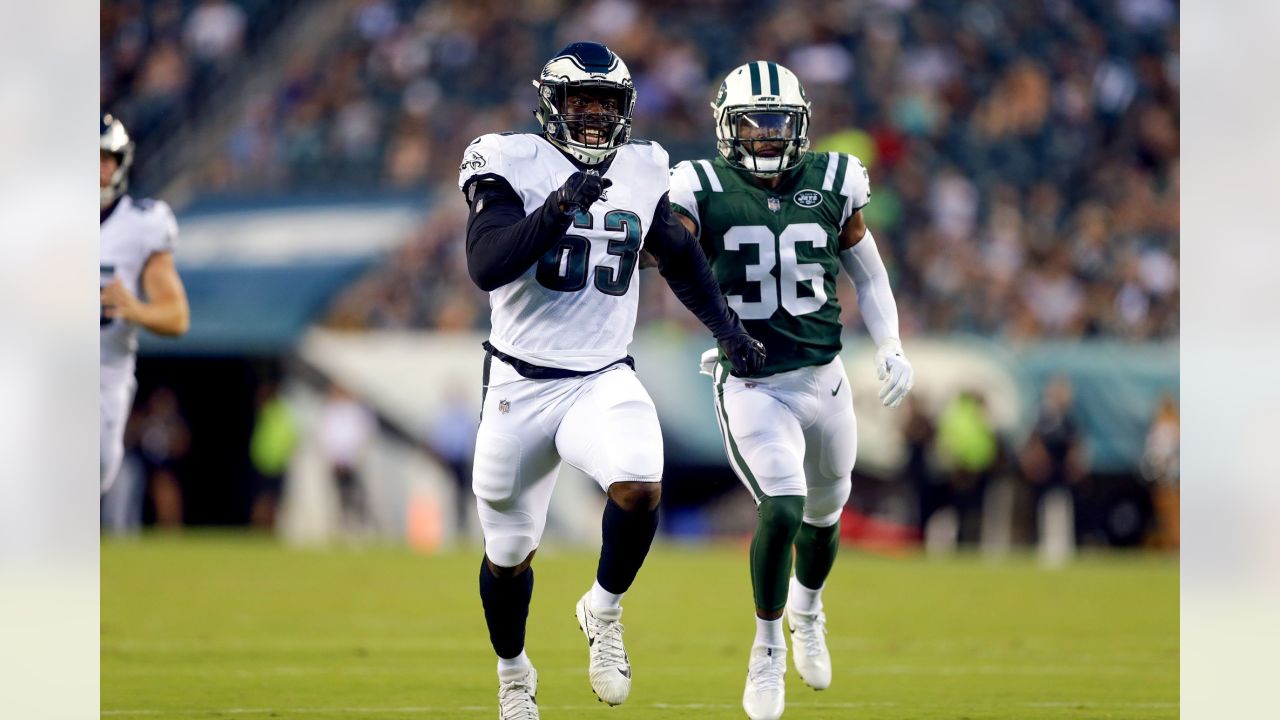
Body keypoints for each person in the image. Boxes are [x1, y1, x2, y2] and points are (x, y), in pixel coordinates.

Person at [458, 42, 766, 720]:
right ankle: (514, 676)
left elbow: (680, 257)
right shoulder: (509, 160)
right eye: (581, 101)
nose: (594, 115)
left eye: (607, 103)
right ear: (553, 104)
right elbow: (487, 264)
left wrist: (727, 329)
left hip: (600, 375)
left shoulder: (642, 167)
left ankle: (603, 608)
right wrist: (558, 208)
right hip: (519, 383)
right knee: (508, 555)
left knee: (640, 480)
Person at [668, 62, 915, 720]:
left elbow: (869, 273)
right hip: (752, 386)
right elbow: (675, 255)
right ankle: (767, 647)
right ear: (727, 125)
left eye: (778, 121)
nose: (767, 134)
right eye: (753, 121)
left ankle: (808, 610)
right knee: (782, 507)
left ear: (801, 122)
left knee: (826, 518)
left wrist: (889, 343)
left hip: (826, 379)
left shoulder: (834, 180)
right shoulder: (700, 186)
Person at [100, 113, 190, 493]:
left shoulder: (140, 224)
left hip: (104, 375)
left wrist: (137, 311)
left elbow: (177, 316)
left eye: (104, 159)